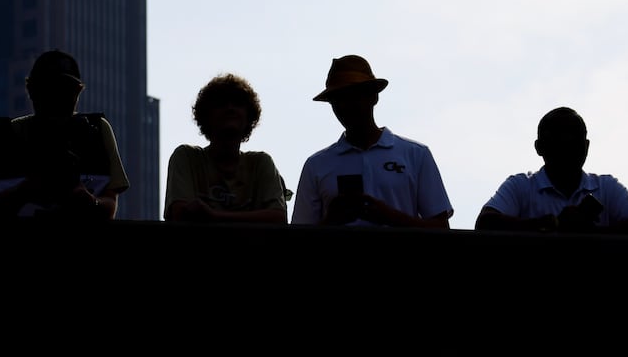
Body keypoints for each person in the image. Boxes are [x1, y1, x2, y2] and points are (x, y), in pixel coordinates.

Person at [290, 55, 452, 228]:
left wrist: (390, 217)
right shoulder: (316, 165)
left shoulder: (416, 155)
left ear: (373, 97)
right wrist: (332, 221)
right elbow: (299, 237)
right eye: (337, 100)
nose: (344, 106)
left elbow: (441, 229)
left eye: (352, 96)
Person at [0, 49, 129, 220]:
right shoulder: (95, 132)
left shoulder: (4, 137)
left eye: (65, 90)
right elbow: (109, 205)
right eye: (50, 89)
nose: (57, 97)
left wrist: (87, 201)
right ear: (32, 91)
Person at [475, 106, 628, 235]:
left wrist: (588, 233)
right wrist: (551, 224)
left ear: (586, 146)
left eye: (573, 139)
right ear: (539, 147)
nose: (566, 145)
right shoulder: (520, 186)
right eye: (558, 139)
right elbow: (486, 222)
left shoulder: (606, 187)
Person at [164, 73, 289, 223]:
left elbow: (278, 218)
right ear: (206, 115)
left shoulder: (261, 163)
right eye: (221, 103)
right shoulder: (187, 158)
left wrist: (213, 216)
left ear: (249, 116)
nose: (230, 108)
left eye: (238, 103)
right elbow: (181, 215)